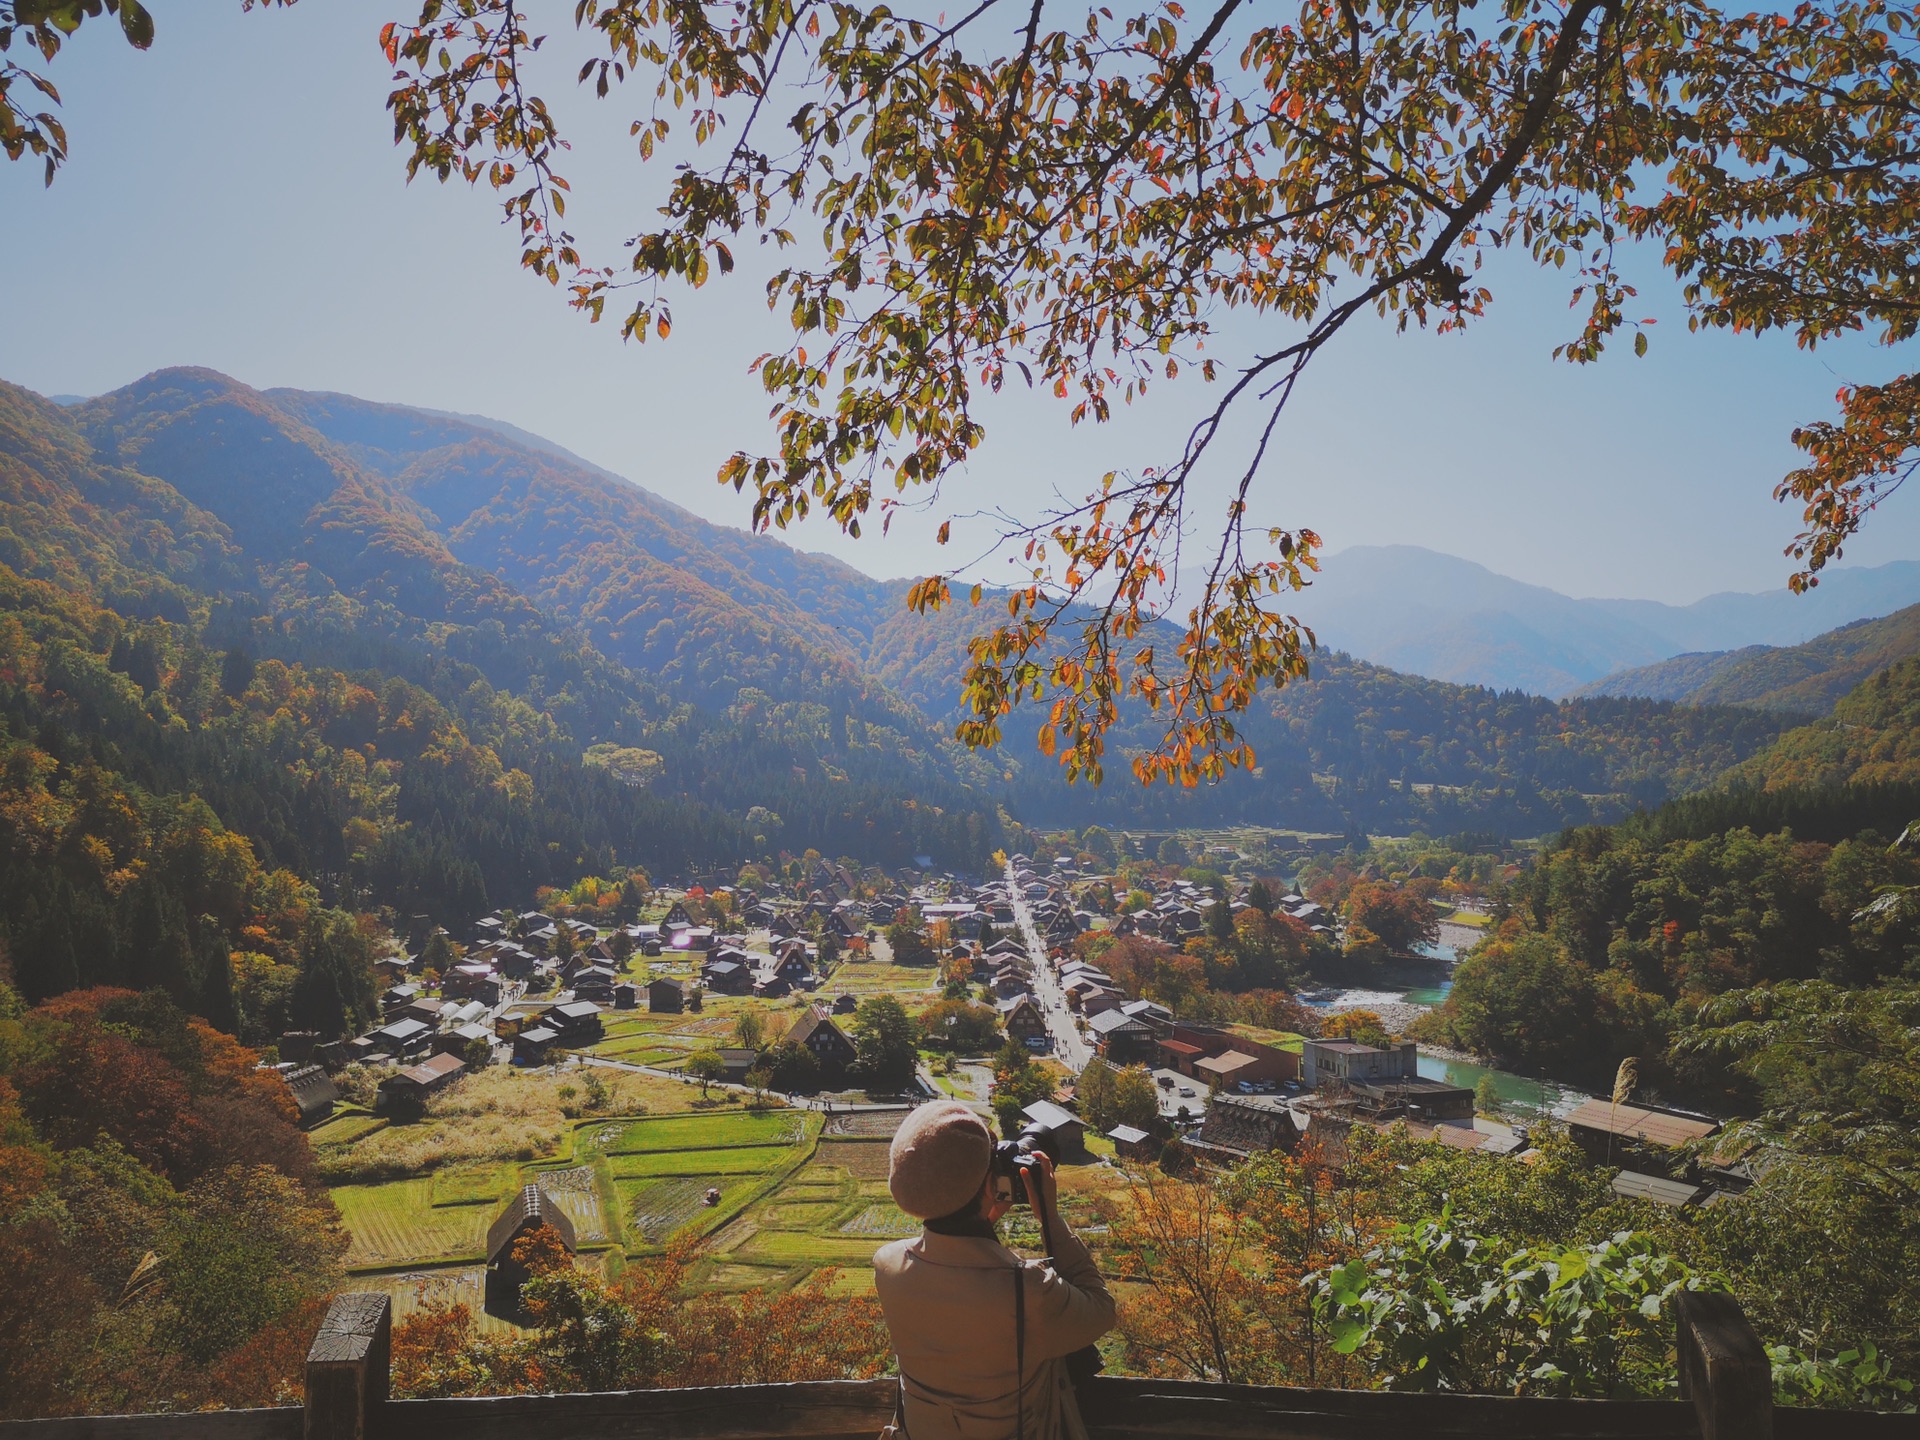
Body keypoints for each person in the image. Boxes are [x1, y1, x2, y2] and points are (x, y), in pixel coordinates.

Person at [873, 1101, 1115, 1440]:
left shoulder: (888, 1265)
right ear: (990, 1185)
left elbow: (957, 1269)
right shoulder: (1025, 1289)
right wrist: (1049, 1215)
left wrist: (984, 1211)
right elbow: (1101, 1310)